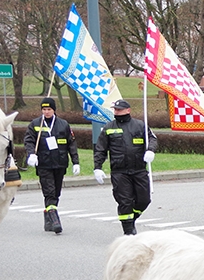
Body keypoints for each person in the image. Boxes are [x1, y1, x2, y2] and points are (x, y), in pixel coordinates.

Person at [93, 99, 157, 235]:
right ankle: (128, 232)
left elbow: (152, 138)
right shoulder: (109, 127)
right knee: (125, 201)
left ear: (128, 110)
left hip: (139, 169)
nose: (117, 112)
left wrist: (150, 150)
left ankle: (130, 219)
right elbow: (100, 149)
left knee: (144, 200)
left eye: (119, 109)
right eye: (115, 110)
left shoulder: (140, 126)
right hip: (119, 171)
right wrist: (97, 167)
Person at [23, 97, 79, 234]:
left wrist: (75, 162)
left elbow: (71, 144)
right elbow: (29, 140)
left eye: (49, 109)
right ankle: (55, 221)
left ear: (54, 110)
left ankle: (48, 217)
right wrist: (31, 154)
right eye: (44, 109)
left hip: (60, 163)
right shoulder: (36, 124)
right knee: (49, 193)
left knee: (56, 193)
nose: (46, 112)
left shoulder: (63, 124)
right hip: (44, 164)